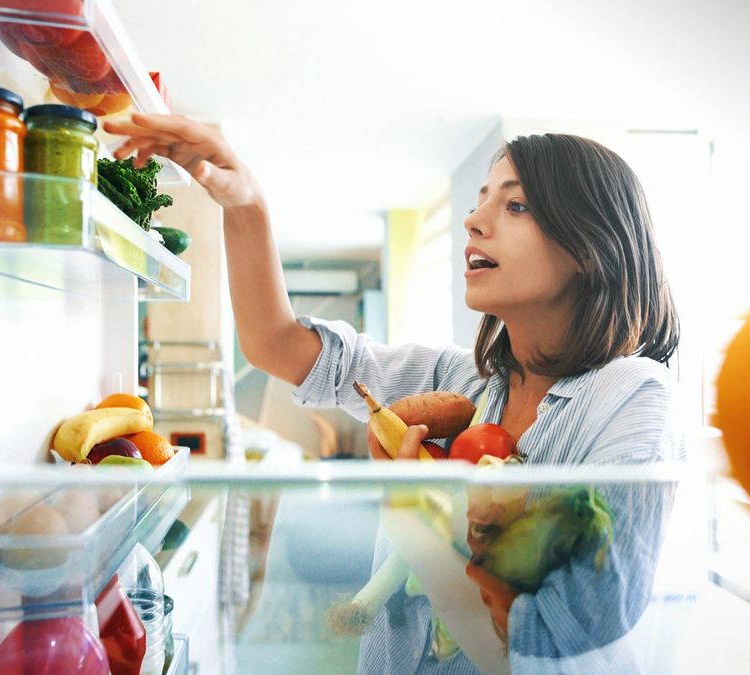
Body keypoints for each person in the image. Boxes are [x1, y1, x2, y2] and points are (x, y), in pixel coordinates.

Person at [105, 114, 684, 673]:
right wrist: (246, 201)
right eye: (481, 198)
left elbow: (559, 644)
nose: (474, 220)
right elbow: (277, 344)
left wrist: (413, 514)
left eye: (515, 204)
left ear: (589, 246)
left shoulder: (632, 399)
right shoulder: (459, 383)